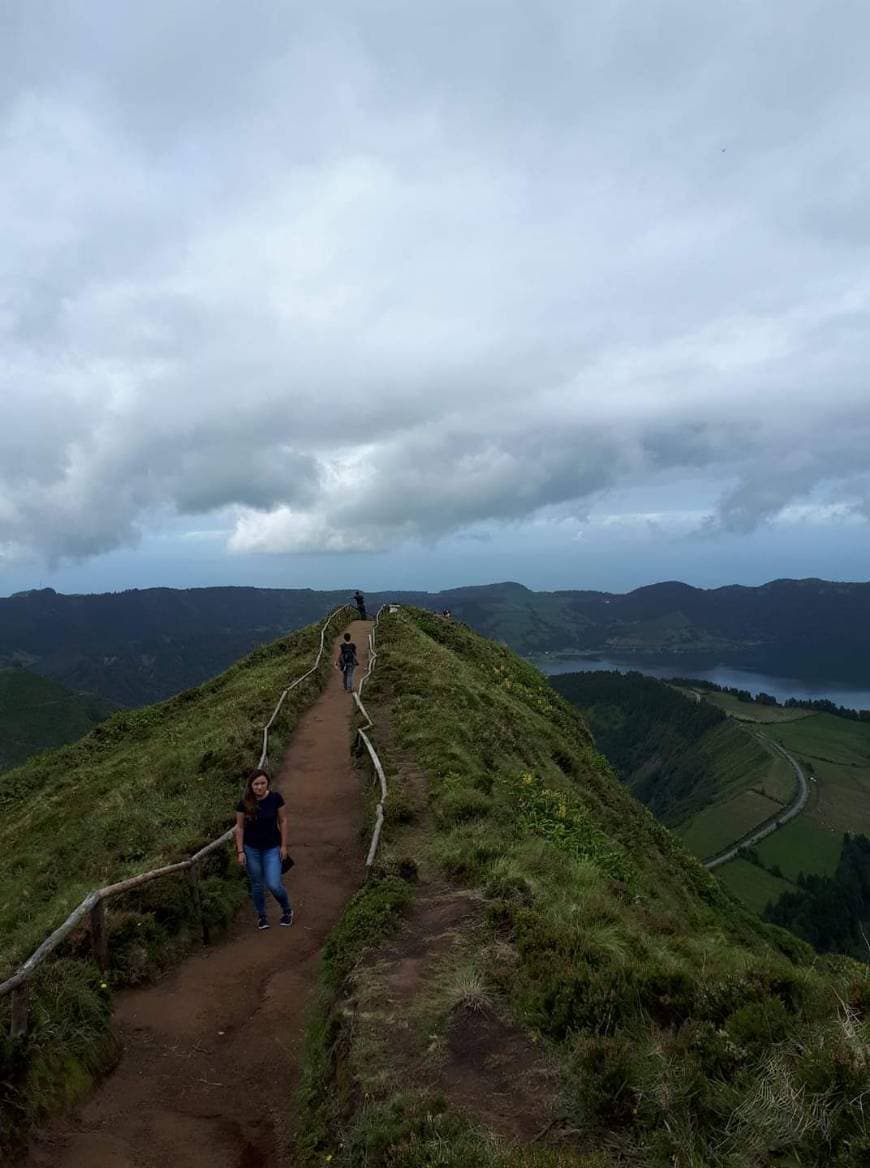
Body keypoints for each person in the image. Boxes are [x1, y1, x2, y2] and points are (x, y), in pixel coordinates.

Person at [235, 768, 293, 930]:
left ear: (267, 783)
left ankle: (287, 910)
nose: (259, 787)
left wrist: (283, 846)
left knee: (274, 884)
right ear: (251, 786)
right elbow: (239, 828)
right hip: (251, 848)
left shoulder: (275, 799)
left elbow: (283, 821)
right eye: (256, 784)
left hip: (272, 848)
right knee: (257, 884)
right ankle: (261, 916)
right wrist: (240, 851)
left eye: (262, 783)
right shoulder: (244, 803)